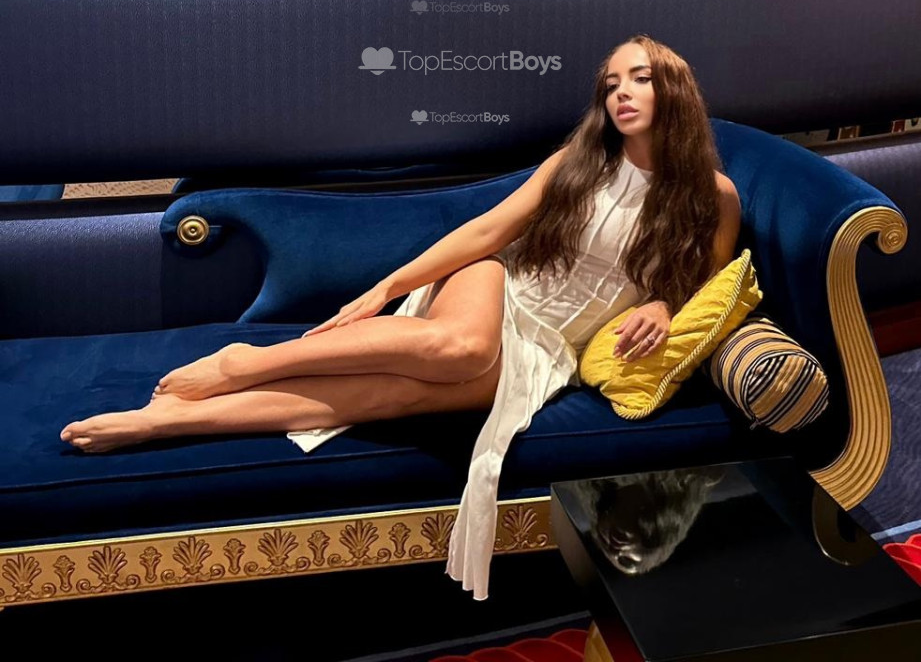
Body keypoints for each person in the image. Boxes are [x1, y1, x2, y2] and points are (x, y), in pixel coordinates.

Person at [59, 33, 742, 599]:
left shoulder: (713, 195)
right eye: (612, 82)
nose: (621, 92)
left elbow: (704, 281)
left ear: (674, 90)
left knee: (396, 396)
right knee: (462, 349)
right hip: (497, 285)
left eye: (640, 78)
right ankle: (248, 362)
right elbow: (485, 232)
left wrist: (661, 303)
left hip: (550, 347)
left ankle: (168, 421)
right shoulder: (577, 163)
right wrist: (385, 288)